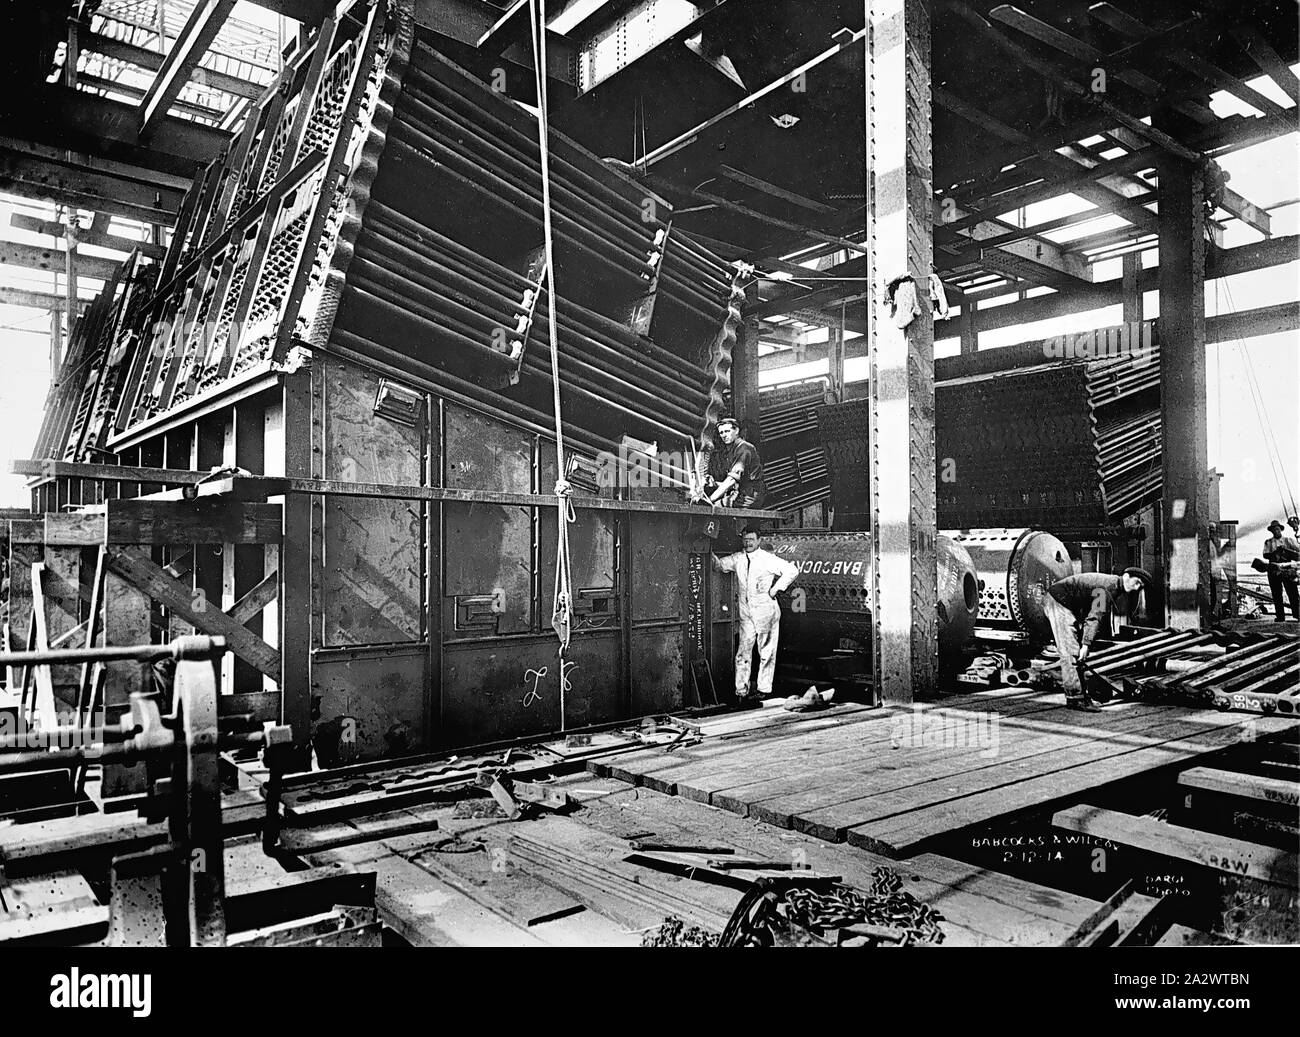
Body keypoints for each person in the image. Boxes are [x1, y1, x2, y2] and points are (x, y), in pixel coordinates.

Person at [712, 527, 799, 707]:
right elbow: (719, 565)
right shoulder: (738, 559)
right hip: (746, 611)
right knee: (743, 651)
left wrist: (775, 589)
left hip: (765, 609)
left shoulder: (767, 559)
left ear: (759, 541)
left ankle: (763, 690)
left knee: (766, 651)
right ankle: (741, 690)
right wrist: (709, 550)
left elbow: (792, 571)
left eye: (751, 539)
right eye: (745, 539)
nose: (748, 543)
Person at [1043, 567, 1152, 711]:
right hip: (1059, 602)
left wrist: (1084, 640)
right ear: (1126, 576)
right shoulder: (1106, 588)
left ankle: (1080, 695)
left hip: (1063, 602)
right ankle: (1075, 699)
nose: (1137, 588)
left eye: (1141, 587)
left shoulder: (1112, 585)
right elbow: (1095, 617)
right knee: (1071, 651)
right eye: (1137, 582)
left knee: (1074, 650)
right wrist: (1086, 644)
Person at [701, 417, 765, 509]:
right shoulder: (734, 450)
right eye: (721, 433)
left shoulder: (744, 448)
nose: (724, 435)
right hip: (743, 493)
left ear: (737, 431)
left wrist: (709, 500)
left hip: (749, 497)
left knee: (712, 507)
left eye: (727, 431)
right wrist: (714, 484)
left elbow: (731, 480)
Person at [1263, 519, 1300, 621]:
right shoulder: (1268, 542)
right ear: (1272, 531)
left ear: (1281, 530)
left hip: (1287, 570)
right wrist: (1275, 552)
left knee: (1292, 592)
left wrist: (1286, 550)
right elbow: (1265, 555)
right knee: (1276, 594)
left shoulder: (1288, 540)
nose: (1276, 531)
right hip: (1274, 570)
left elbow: (1298, 550)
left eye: (1278, 529)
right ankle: (1280, 617)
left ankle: (1297, 615)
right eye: (1274, 529)